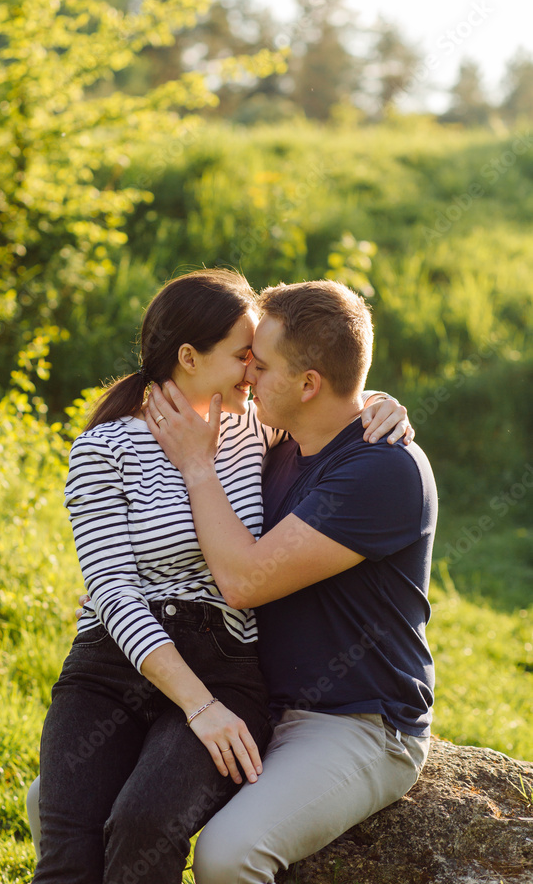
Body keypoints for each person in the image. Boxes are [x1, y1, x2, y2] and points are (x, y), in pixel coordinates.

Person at [28, 269, 411, 884]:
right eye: (243, 358)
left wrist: (378, 402)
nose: (253, 375)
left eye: (259, 362)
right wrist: (195, 703)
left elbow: (325, 397)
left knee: (142, 826)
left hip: (224, 661)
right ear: (188, 357)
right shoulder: (102, 449)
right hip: (117, 664)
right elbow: (110, 591)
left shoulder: (255, 431)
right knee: (66, 846)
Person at [146, 279, 437, 884]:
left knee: (227, 856)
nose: (246, 374)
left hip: (358, 723)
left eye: (262, 362)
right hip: (252, 701)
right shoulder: (279, 439)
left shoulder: (384, 471)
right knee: (57, 799)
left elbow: (246, 581)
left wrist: (197, 466)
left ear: (309, 384)